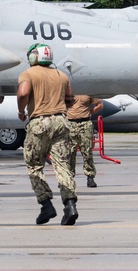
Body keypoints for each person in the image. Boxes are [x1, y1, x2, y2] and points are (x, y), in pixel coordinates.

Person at [17, 43, 78, 225]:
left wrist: (21, 111)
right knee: (62, 165)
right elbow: (70, 99)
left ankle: (46, 205)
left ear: (34, 57)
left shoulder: (28, 74)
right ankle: (70, 205)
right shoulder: (61, 75)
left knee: (34, 165)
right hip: (61, 122)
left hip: (39, 122)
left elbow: (23, 93)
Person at [67, 94, 103, 188]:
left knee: (87, 151)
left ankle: (90, 176)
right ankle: (68, 178)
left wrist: (89, 112)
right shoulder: (67, 91)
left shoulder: (88, 91)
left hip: (85, 123)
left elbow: (100, 105)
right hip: (70, 123)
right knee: (70, 152)